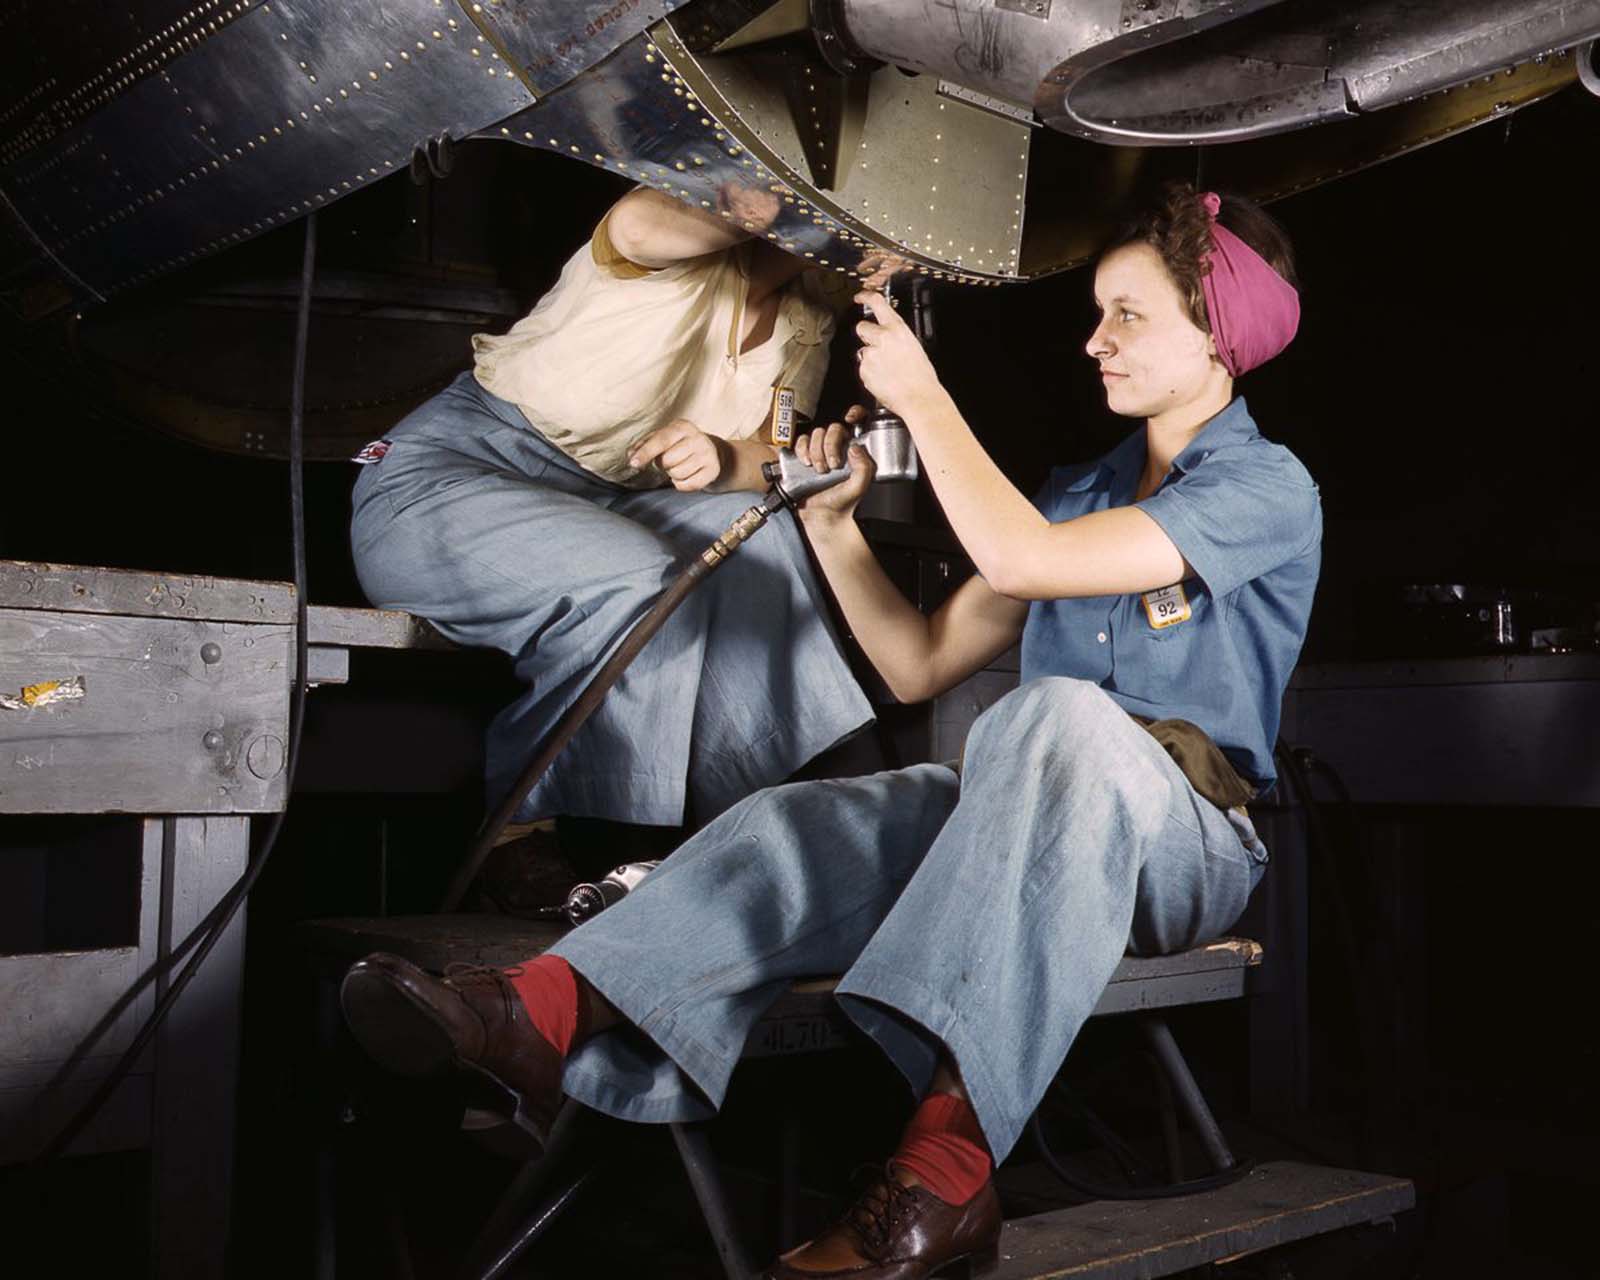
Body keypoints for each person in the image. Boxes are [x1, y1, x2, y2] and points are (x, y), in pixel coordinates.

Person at [340, 182, 1321, 1280]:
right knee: (809, 820)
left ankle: (944, 1172)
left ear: (1219, 334)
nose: (1094, 341)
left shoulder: (1266, 487)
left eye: (1128, 316)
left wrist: (927, 399)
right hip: (1022, 809)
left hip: (1180, 845)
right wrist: (832, 523)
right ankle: (537, 1012)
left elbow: (1022, 565)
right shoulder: (1074, 488)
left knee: (1057, 715)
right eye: (1095, 311)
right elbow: (915, 660)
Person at [349, 182, 896, 842]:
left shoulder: (810, 312)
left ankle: (779, 829)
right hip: (453, 478)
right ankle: (527, 838)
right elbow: (636, 229)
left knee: (759, 534)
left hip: (611, 503)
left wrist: (724, 458)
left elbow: (771, 452)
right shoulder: (673, 235)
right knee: (634, 576)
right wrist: (769, 207)